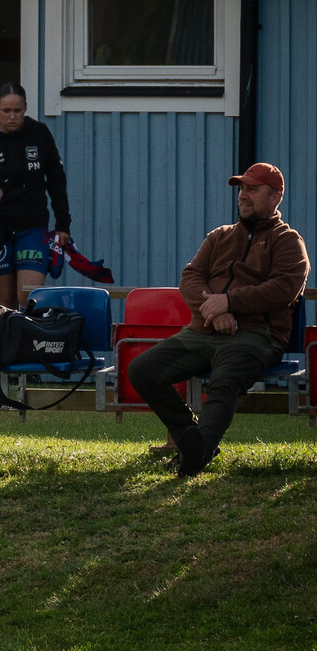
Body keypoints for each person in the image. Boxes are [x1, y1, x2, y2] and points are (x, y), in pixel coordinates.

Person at [129, 163, 309, 477]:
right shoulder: (220, 236)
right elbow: (190, 278)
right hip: (204, 330)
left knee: (223, 381)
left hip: (256, 335)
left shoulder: (288, 241)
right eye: (242, 189)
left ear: (275, 196)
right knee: (142, 370)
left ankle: (196, 453)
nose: (243, 196)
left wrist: (230, 302)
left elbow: (283, 289)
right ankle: (194, 441)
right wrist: (216, 310)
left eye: (252, 189)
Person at [0, 82, 72, 310]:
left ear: (26, 107)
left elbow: (56, 180)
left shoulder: (39, 133)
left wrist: (63, 224)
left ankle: (32, 334)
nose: (12, 116)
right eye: (6, 111)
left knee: (28, 298)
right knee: (4, 304)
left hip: (32, 225)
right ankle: (3, 335)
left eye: (17, 111)